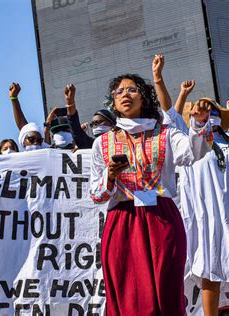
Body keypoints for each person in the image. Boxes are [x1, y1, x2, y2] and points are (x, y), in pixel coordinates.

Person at [90, 73, 213, 315]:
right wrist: (111, 176)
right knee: (128, 293)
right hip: (123, 221)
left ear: (144, 97)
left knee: (166, 292)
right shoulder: (102, 143)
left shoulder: (166, 133)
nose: (125, 94)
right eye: (119, 92)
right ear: (112, 102)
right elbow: (96, 195)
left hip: (161, 219)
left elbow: (194, 153)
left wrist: (198, 123)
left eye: (132, 90)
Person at [180, 98, 229, 316]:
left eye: (213, 110)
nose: (208, 113)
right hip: (207, 215)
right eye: (203, 110)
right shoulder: (192, 144)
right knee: (209, 270)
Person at [62, 84, 116, 149]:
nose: (95, 125)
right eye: (92, 124)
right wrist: (70, 102)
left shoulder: (124, 139)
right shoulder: (92, 145)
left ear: (111, 123)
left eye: (98, 122)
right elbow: (75, 127)